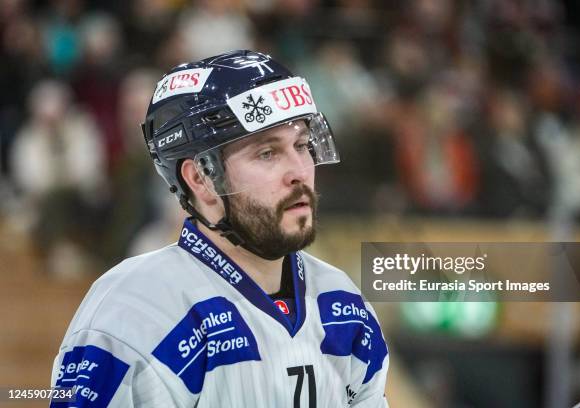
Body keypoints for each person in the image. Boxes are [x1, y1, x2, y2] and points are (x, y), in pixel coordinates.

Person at [50, 50, 389, 407]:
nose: (300, 171)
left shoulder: (343, 302)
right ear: (201, 178)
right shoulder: (134, 309)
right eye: (267, 153)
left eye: (302, 146)